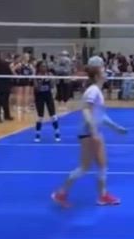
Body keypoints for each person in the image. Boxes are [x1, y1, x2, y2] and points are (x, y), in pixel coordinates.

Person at [51, 62, 126, 207]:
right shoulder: (93, 90)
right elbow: (85, 110)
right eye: (103, 71)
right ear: (97, 76)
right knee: (84, 167)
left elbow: (100, 116)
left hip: (94, 131)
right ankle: (60, 193)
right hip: (89, 133)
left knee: (102, 164)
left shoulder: (97, 90)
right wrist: (93, 130)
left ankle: (103, 195)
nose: (106, 73)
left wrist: (116, 127)